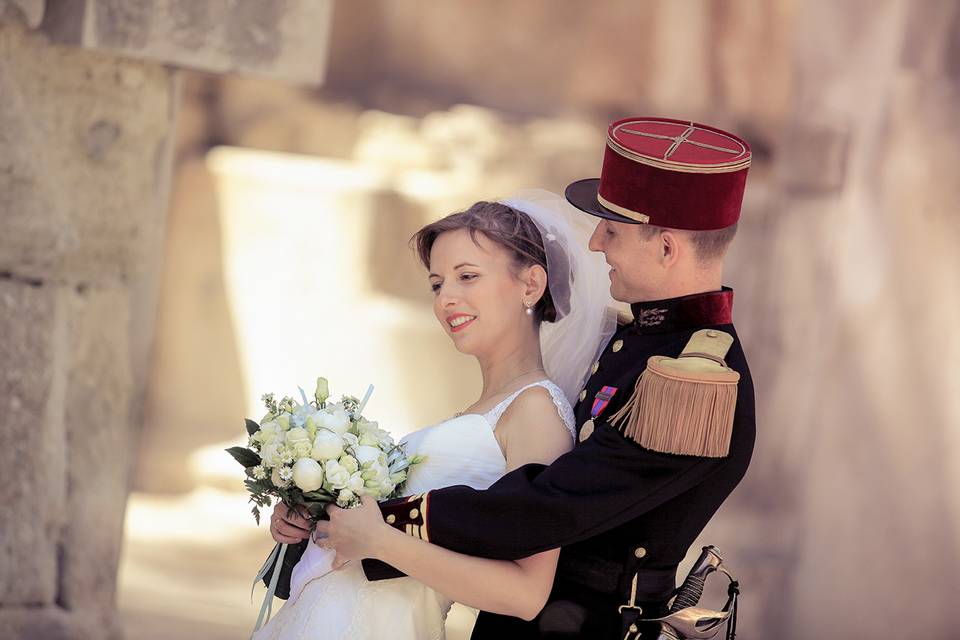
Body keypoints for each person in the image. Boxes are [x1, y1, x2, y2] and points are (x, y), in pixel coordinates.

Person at [319, 116, 758, 639]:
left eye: (613, 230)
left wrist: (385, 526)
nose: (595, 244)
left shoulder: (692, 381)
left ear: (667, 248)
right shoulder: (637, 341)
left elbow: (550, 508)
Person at [254, 191, 617, 639]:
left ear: (531, 285)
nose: (447, 298)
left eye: (467, 276)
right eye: (437, 283)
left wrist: (378, 541)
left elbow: (526, 594)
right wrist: (313, 516)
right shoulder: (480, 410)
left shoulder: (537, 414)